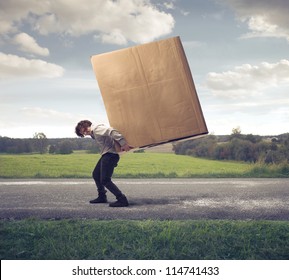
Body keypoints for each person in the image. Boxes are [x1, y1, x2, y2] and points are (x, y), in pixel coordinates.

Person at [75, 120, 132, 207]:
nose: (85, 133)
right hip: (106, 155)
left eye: (84, 130)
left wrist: (123, 143)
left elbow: (112, 131)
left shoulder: (97, 129)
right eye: (83, 133)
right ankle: (102, 196)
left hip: (110, 155)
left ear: (86, 125)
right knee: (96, 174)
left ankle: (122, 199)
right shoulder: (94, 132)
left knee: (105, 179)